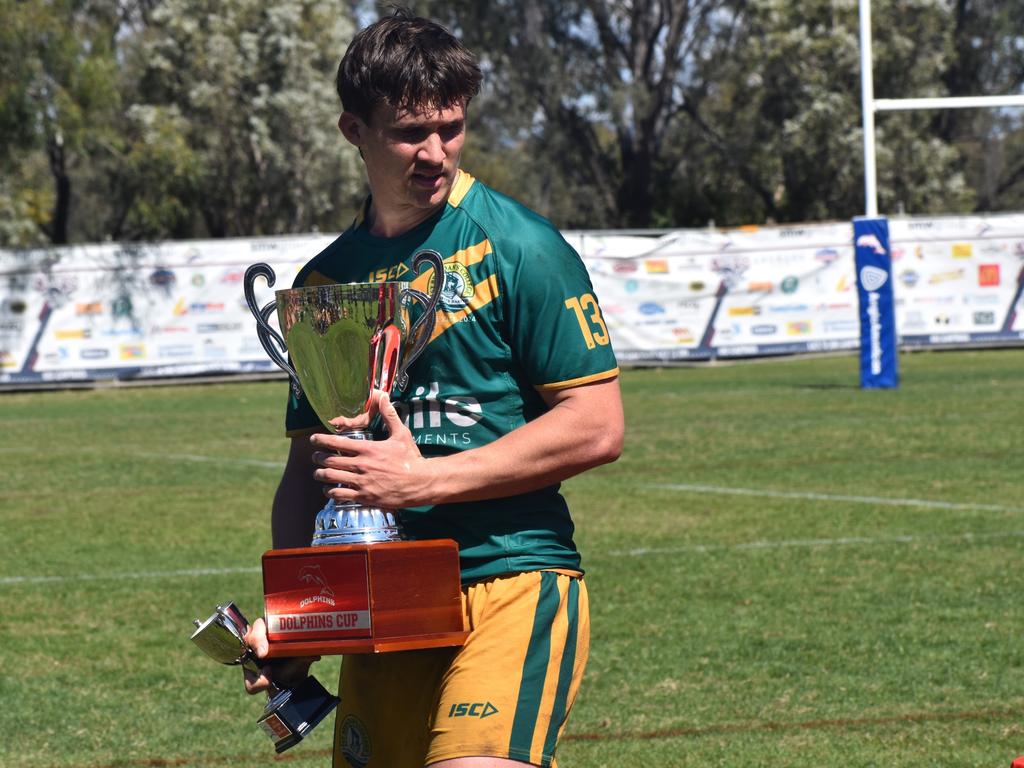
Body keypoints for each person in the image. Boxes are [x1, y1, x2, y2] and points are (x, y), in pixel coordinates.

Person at [243, 9, 624, 768]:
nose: (434, 152)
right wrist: (299, 621)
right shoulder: (327, 282)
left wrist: (424, 479)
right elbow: (309, 472)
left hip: (511, 578)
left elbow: (596, 425)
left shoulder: (521, 247)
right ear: (355, 130)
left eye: (450, 128)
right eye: (408, 132)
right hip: (386, 606)